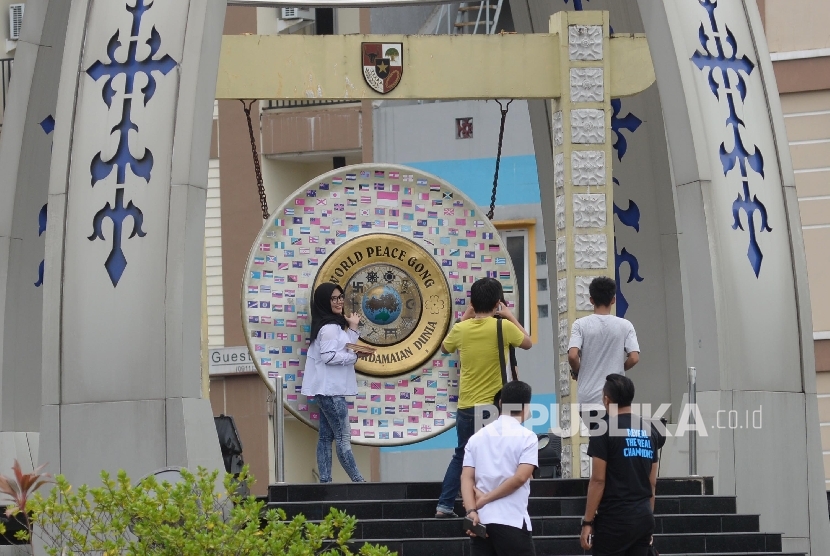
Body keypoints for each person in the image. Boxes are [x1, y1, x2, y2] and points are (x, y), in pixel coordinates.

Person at [435, 277, 532, 518]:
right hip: (493, 407)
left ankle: (444, 505)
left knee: (462, 455)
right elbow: (528, 343)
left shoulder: (461, 329)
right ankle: (487, 504)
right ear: (498, 302)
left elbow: (445, 348)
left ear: (472, 302)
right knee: (494, 457)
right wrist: (509, 316)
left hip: (467, 404)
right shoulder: (504, 327)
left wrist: (467, 315)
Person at [580, 374, 658, 555]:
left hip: (614, 520)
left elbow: (598, 480)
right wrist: (648, 520)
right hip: (643, 518)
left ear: (607, 400)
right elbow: (652, 482)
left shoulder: (603, 429)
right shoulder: (649, 431)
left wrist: (587, 522)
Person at [461, 380, 538, 556]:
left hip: (480, 524)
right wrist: (485, 499)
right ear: (526, 407)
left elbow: (466, 478)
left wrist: (471, 511)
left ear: (501, 403)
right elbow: (520, 478)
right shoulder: (528, 438)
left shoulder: (476, 438)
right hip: (512, 522)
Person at [301, 282, 366, 483]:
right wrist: (354, 358)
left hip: (327, 390)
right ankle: (358, 481)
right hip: (331, 391)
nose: (339, 302)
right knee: (343, 438)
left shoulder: (331, 326)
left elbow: (345, 346)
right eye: (333, 298)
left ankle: (326, 482)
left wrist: (353, 328)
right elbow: (329, 356)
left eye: (340, 297)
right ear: (324, 301)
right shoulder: (329, 328)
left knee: (325, 438)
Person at [567, 276, 639, 430]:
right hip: (616, 397)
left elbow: (573, 355)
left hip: (588, 401)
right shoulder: (625, 326)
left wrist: (579, 371)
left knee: (599, 441)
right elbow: (634, 358)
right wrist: (619, 368)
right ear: (613, 300)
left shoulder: (580, 325)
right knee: (616, 444)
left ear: (591, 300)